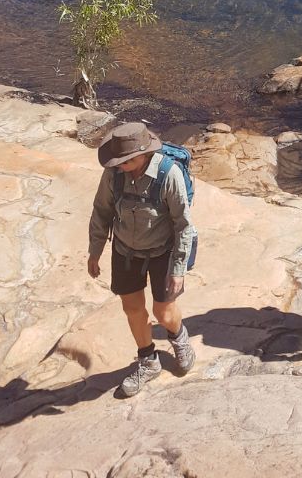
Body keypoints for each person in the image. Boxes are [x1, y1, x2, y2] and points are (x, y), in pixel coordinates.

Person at [87, 123, 196, 398]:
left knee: (164, 313)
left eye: (125, 161)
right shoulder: (114, 174)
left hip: (162, 253)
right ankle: (148, 361)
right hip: (125, 252)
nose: (119, 165)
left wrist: (179, 269)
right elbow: (101, 210)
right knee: (133, 310)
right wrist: (95, 250)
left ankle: (180, 339)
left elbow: (183, 224)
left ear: (143, 155)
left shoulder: (168, 174)